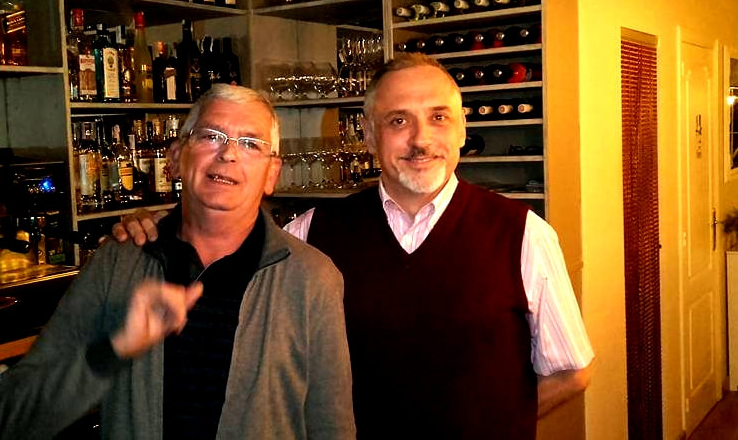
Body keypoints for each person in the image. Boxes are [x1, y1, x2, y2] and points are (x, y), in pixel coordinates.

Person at [114, 54, 595, 439]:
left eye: (439, 117)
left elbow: (571, 372)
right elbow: (216, 257)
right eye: (398, 121)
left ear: (462, 129)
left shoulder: (524, 233)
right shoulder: (310, 234)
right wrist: (158, 227)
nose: (421, 139)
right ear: (367, 135)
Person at [0, 84, 356, 440]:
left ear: (271, 174)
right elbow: (12, 418)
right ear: (176, 157)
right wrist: (113, 349)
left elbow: (332, 427)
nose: (228, 154)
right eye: (211, 136)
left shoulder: (311, 278)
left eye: (250, 143)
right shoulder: (120, 262)